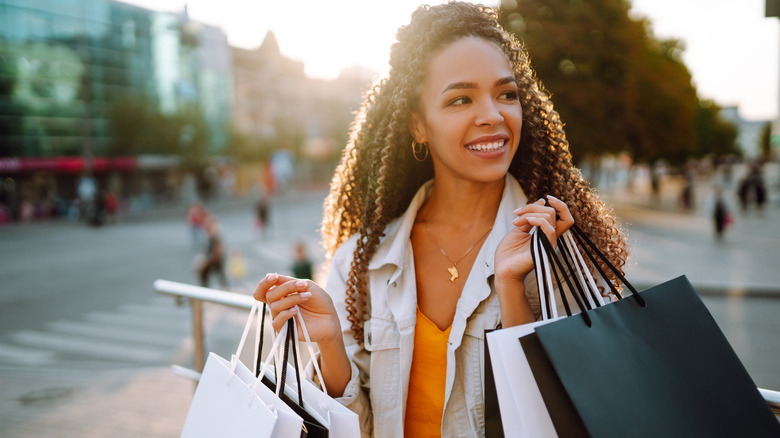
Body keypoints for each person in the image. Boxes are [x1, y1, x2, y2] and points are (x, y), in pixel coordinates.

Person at [254, 3, 628, 437]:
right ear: (418, 124)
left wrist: (512, 290)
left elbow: (564, 419)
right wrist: (331, 343)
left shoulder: (556, 250)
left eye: (506, 94)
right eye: (460, 99)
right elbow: (361, 431)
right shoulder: (359, 261)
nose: (493, 115)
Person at [198, 216, 228, 290]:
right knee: (220, 275)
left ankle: (223, 288)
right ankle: (206, 288)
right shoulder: (210, 235)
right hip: (213, 258)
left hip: (215, 259)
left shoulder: (215, 236)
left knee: (220, 275)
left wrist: (205, 260)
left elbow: (218, 250)